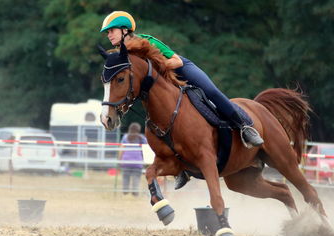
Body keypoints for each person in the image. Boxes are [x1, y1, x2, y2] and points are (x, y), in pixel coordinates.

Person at [101, 11, 264, 189]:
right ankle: (181, 169)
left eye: (111, 31)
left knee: (212, 92)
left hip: (182, 70)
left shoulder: (148, 41)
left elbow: (176, 61)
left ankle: (244, 127)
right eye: (107, 32)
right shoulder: (122, 54)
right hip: (164, 85)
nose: (109, 35)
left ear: (125, 30)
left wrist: (155, 67)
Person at [118, 122, 147, 196]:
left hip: (126, 161)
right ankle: (135, 193)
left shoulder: (125, 137)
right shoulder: (142, 138)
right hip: (137, 162)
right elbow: (146, 148)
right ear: (138, 130)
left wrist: (119, 160)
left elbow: (122, 150)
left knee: (125, 178)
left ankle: (125, 192)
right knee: (136, 178)